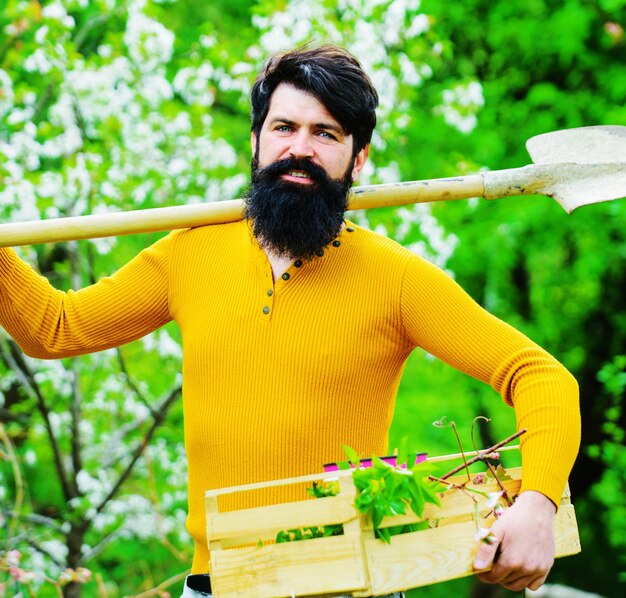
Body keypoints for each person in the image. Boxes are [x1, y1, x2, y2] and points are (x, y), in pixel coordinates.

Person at [0, 45, 580, 598]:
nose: (300, 149)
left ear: (358, 158)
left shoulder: (396, 278)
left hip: (348, 586)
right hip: (215, 587)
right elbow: (55, 327)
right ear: (255, 142)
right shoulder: (189, 254)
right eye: (284, 128)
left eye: (325, 133)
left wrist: (537, 503)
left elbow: (543, 377)